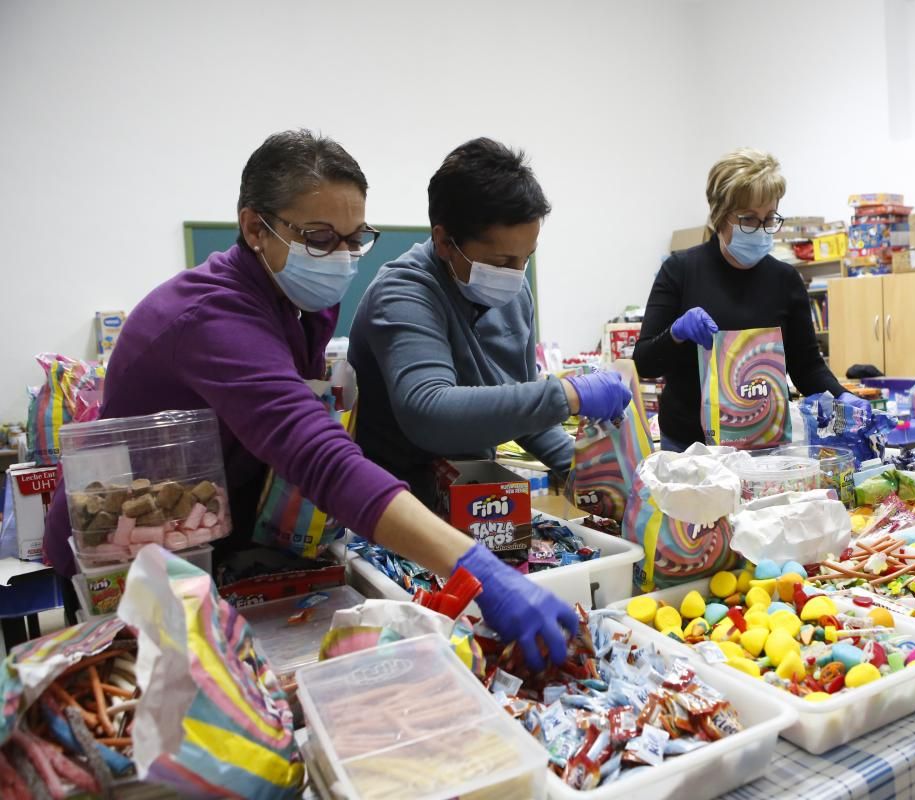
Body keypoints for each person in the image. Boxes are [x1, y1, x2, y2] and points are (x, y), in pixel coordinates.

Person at [43, 130, 576, 670]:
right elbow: (319, 455)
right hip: (121, 555)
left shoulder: (300, 307)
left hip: (204, 541)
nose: (343, 260)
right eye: (321, 239)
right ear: (255, 227)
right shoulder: (212, 317)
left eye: (354, 239)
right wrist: (479, 570)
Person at [350, 138, 630, 505]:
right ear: (445, 242)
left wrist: (581, 472)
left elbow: (522, 404)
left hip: (473, 496)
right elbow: (429, 412)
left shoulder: (514, 295)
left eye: (525, 259)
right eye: (500, 263)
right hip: (392, 504)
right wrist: (569, 394)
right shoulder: (403, 293)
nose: (515, 276)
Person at [632, 148, 869, 451]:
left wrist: (840, 397)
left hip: (767, 445)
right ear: (720, 216)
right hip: (691, 449)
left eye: (769, 218)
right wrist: (676, 334)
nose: (759, 230)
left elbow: (807, 367)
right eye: (747, 219)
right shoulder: (680, 271)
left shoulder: (785, 280)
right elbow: (645, 362)